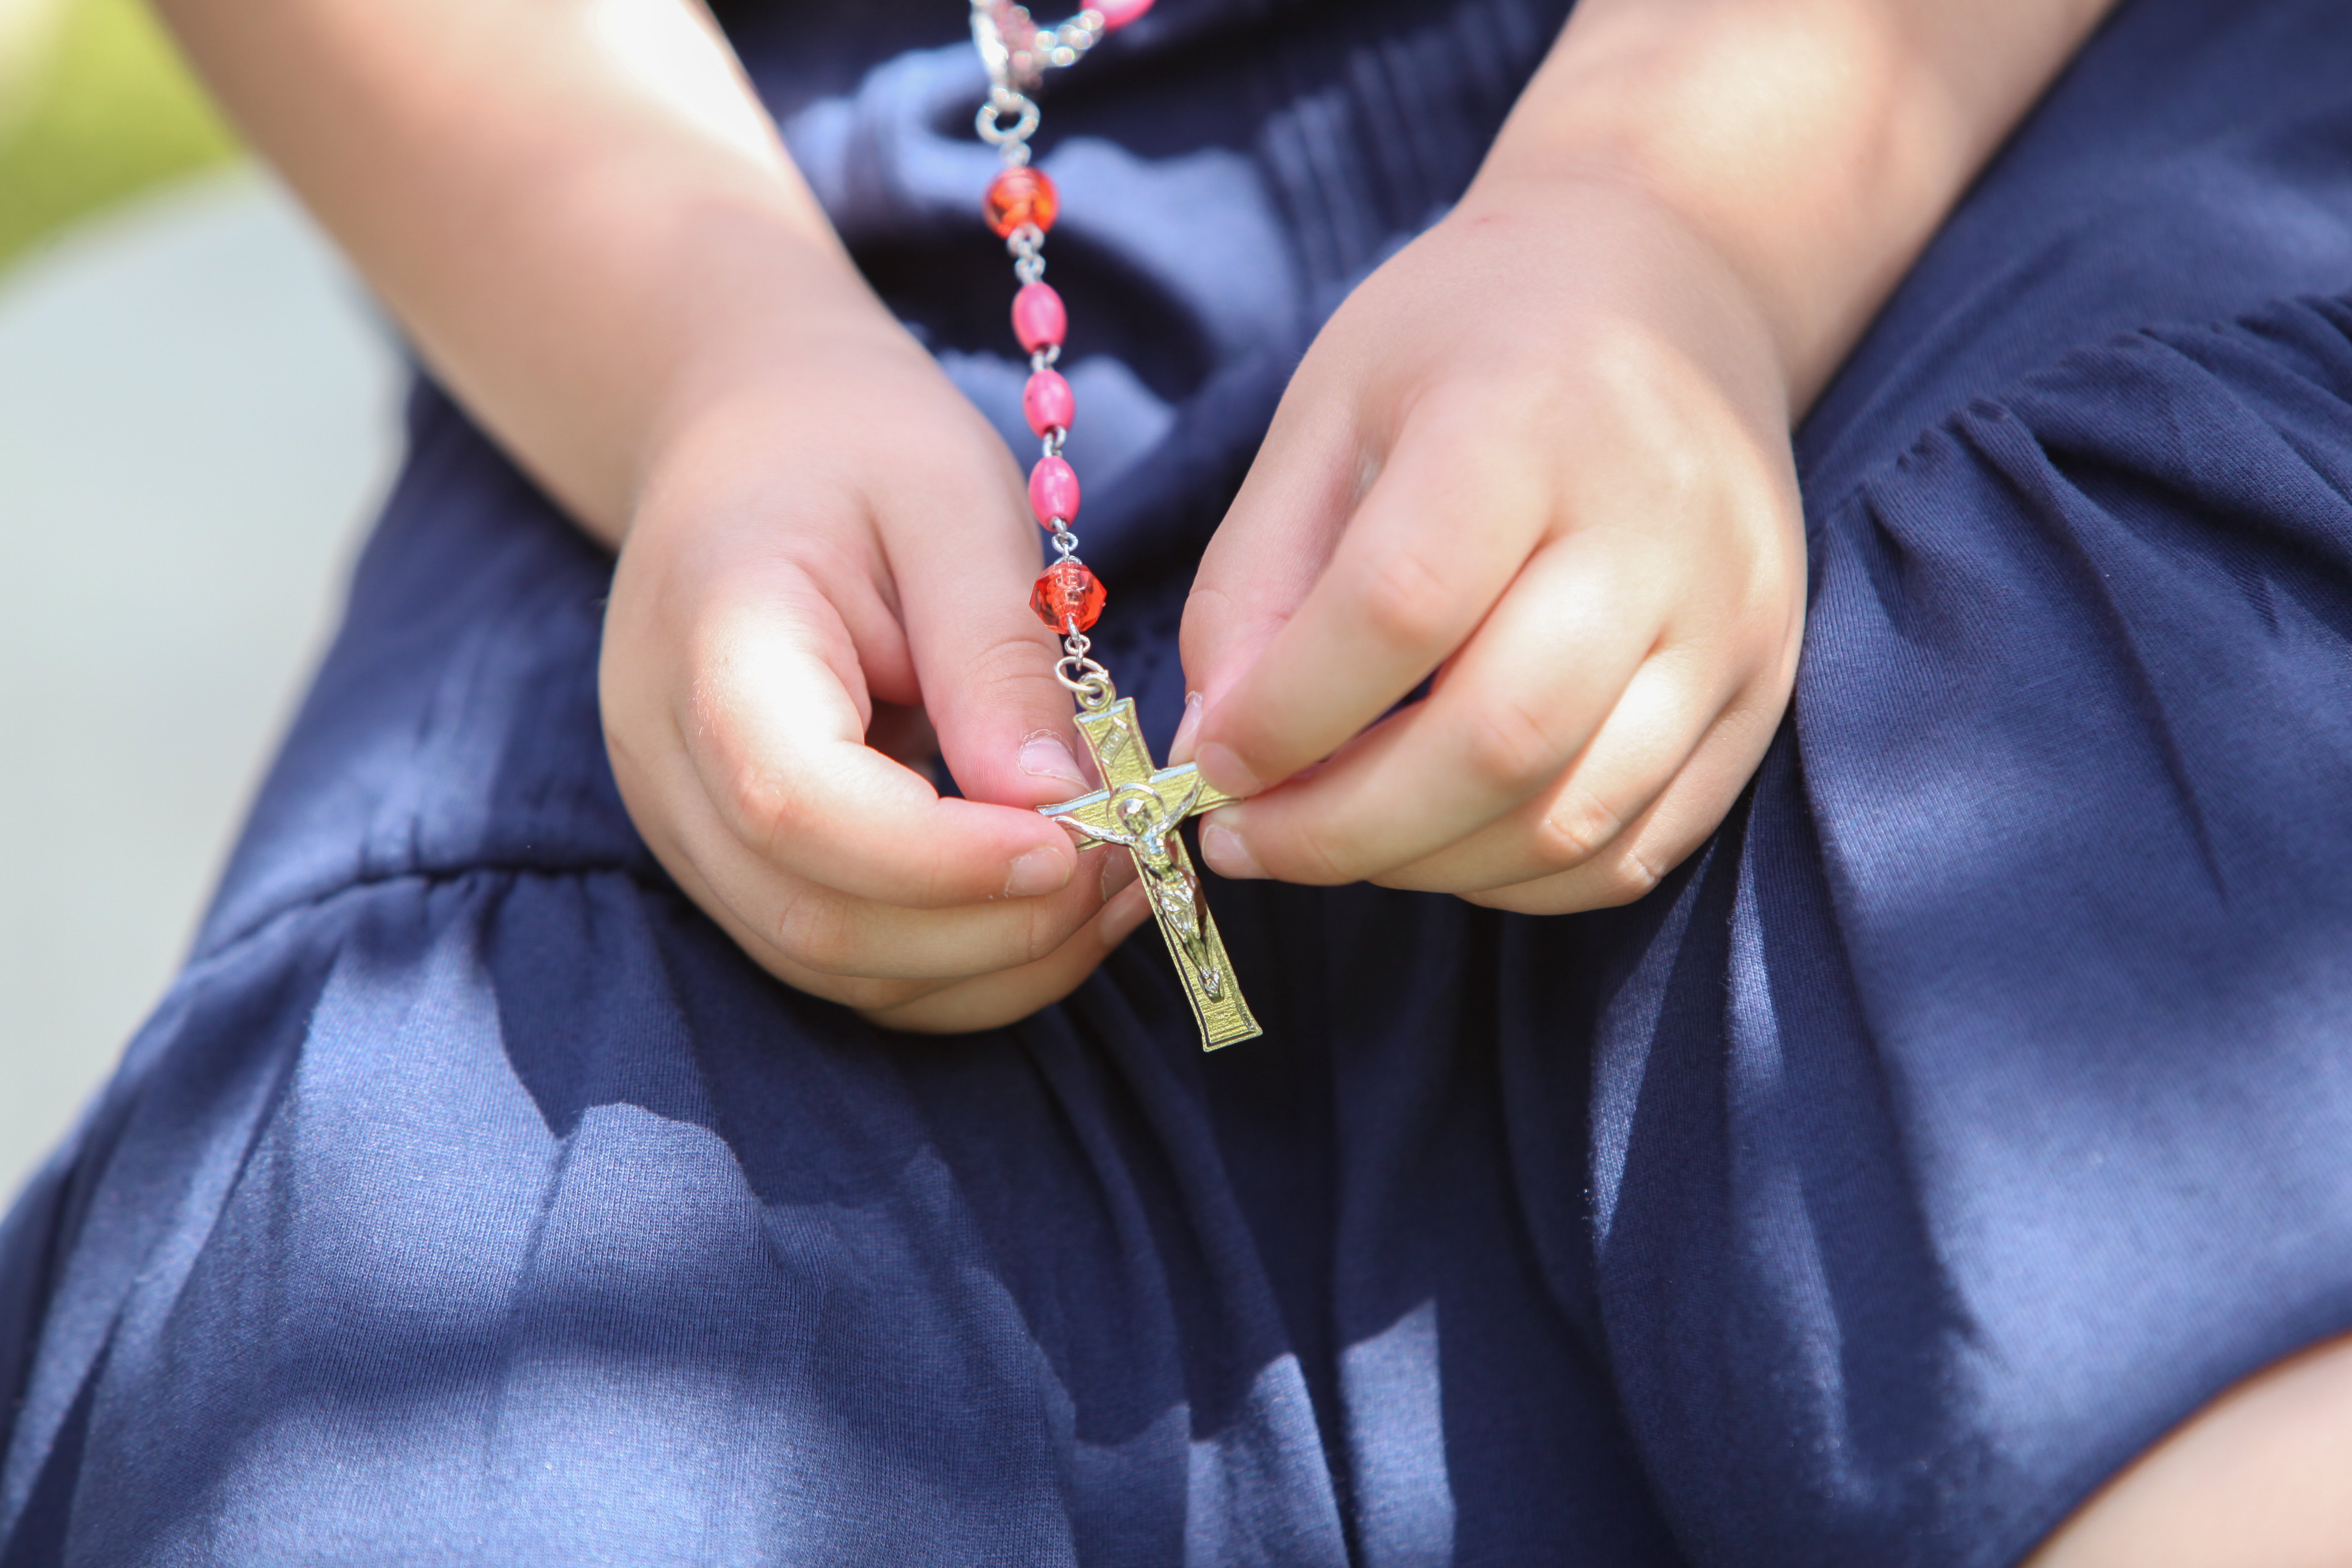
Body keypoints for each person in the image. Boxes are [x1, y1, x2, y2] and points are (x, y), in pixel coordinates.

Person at [6, 0, 2352, 1558]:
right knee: (477, 1341)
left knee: (2103, 972)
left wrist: (1683, 225)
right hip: (712, 275)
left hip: (1898, 127)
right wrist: (708, 365)